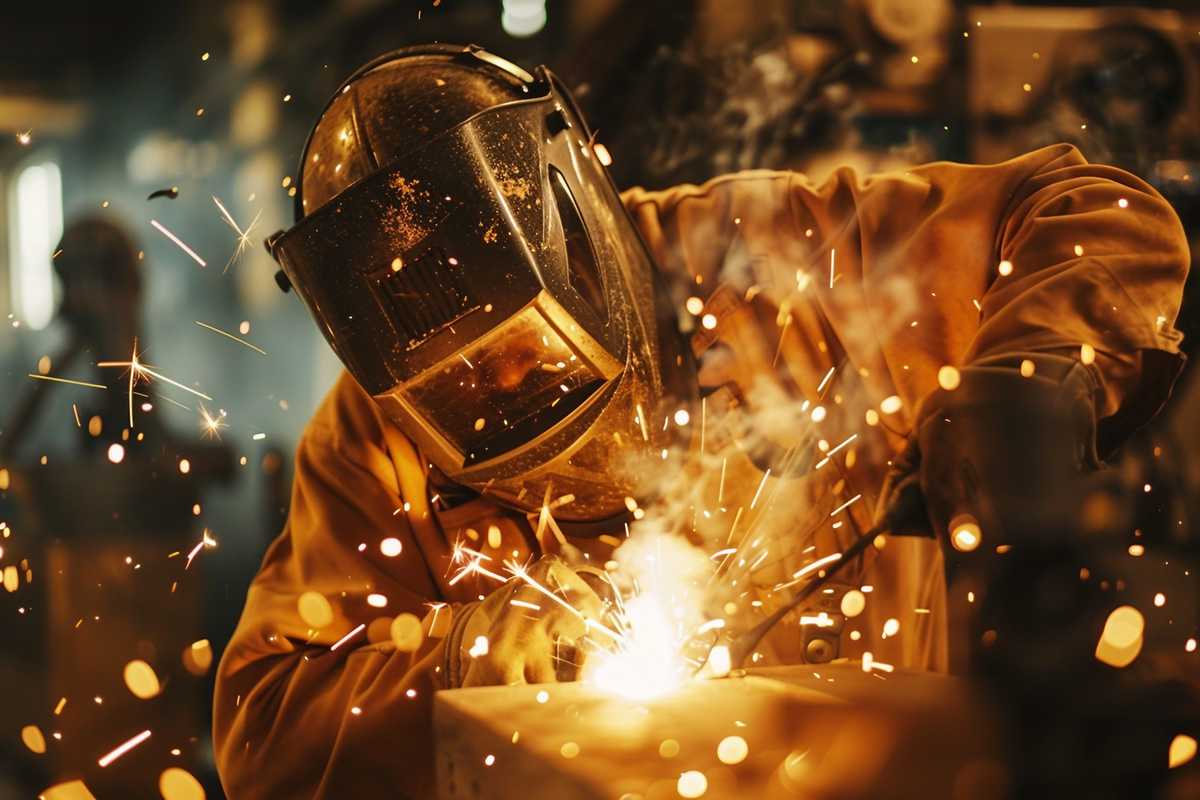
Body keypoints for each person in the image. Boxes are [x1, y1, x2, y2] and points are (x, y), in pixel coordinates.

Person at [213, 44, 1189, 798]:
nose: (509, 388)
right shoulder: (371, 438)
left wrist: (1020, 390)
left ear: (578, 233)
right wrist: (473, 653)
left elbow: (1094, 208)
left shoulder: (777, 263)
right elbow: (265, 732)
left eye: (526, 347)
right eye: (460, 387)